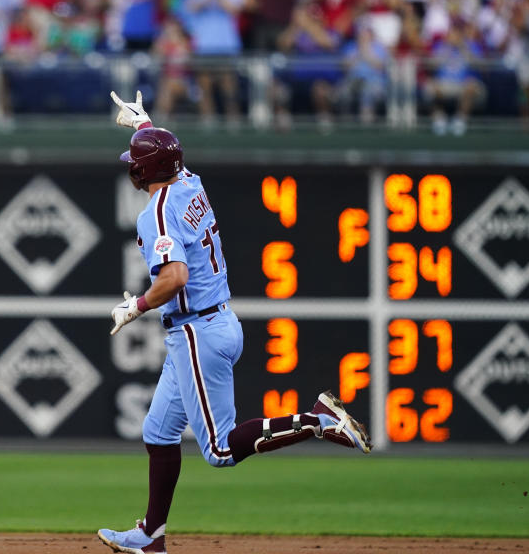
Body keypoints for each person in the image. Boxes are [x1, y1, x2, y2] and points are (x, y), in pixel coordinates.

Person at [97, 91, 371, 554]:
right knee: (158, 433)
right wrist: (145, 124)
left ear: (140, 172)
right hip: (211, 321)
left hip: (196, 331)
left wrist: (137, 306)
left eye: (135, 161)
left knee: (220, 451)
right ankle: (151, 536)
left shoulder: (156, 214)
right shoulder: (188, 183)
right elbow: (171, 159)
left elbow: (175, 276)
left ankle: (317, 421)